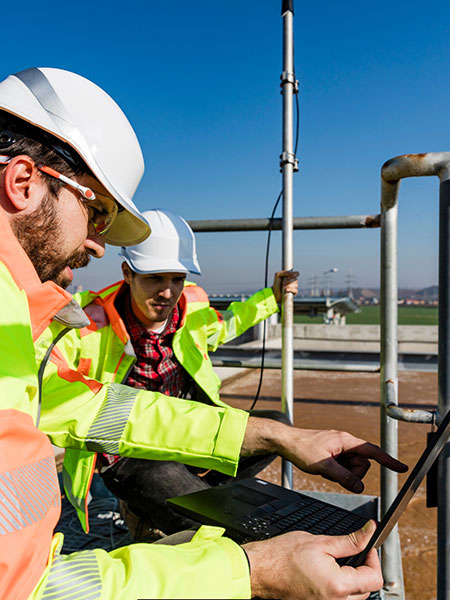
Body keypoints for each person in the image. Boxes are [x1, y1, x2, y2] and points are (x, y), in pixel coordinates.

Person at [0, 66, 405, 600]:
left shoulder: (23, 324)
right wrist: (248, 572)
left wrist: (281, 435)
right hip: (125, 466)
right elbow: (30, 589)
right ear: (24, 182)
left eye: (176, 278)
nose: (97, 245)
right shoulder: (79, 325)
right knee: (187, 498)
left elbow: (100, 408)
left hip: (159, 451)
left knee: (242, 467)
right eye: (96, 211)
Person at [66, 207, 299, 537]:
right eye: (155, 278)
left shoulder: (193, 306)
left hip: (187, 433)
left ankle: (166, 504)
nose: (167, 292)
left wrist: (271, 299)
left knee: (275, 428)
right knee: (208, 519)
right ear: (127, 272)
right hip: (129, 452)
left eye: (177, 279)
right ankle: (169, 506)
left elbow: (224, 326)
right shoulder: (89, 322)